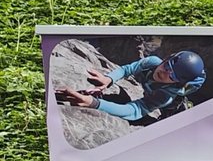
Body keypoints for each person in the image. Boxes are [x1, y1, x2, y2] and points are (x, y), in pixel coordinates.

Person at [62, 50, 205, 123]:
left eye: (172, 76)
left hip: (171, 109)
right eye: (167, 65)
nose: (164, 72)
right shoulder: (152, 62)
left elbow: (134, 111)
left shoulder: (165, 96)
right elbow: (127, 69)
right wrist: (109, 79)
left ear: (177, 83)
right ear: (166, 59)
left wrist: (94, 103)